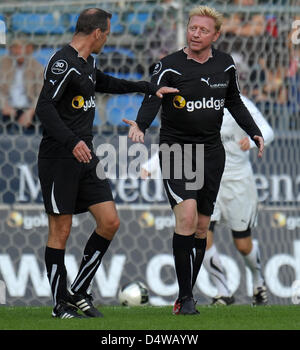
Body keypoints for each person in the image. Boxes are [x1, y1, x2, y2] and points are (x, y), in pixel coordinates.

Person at [35, 8, 178, 319]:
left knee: (110, 221)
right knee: (61, 229)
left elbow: (103, 82)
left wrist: (146, 87)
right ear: (97, 33)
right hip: (61, 156)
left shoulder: (88, 63)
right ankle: (60, 305)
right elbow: (44, 108)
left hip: (86, 156)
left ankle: (79, 291)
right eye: (107, 33)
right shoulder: (63, 63)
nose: (108, 38)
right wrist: (72, 142)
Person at [123, 5, 264, 315]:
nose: (196, 33)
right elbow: (152, 97)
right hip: (177, 151)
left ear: (215, 35)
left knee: (202, 227)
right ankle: (185, 298)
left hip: (212, 153)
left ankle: (186, 293)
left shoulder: (225, 65)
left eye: (203, 30)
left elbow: (234, 102)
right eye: (192, 28)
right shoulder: (169, 65)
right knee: (186, 218)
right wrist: (141, 126)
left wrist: (254, 132)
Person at [203, 93, 274, 306]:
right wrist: (151, 166)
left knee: (243, 244)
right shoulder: (196, 100)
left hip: (237, 182)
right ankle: (223, 291)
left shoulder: (240, 102)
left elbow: (268, 131)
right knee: (201, 235)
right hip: (207, 180)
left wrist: (252, 142)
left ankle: (258, 281)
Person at [0, 39, 44, 133]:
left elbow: (41, 93)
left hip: (28, 108)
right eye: (16, 48)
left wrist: (31, 111)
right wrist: (3, 104)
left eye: (22, 48)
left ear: (29, 49)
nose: (19, 51)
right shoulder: (2, 64)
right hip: (6, 108)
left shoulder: (37, 67)